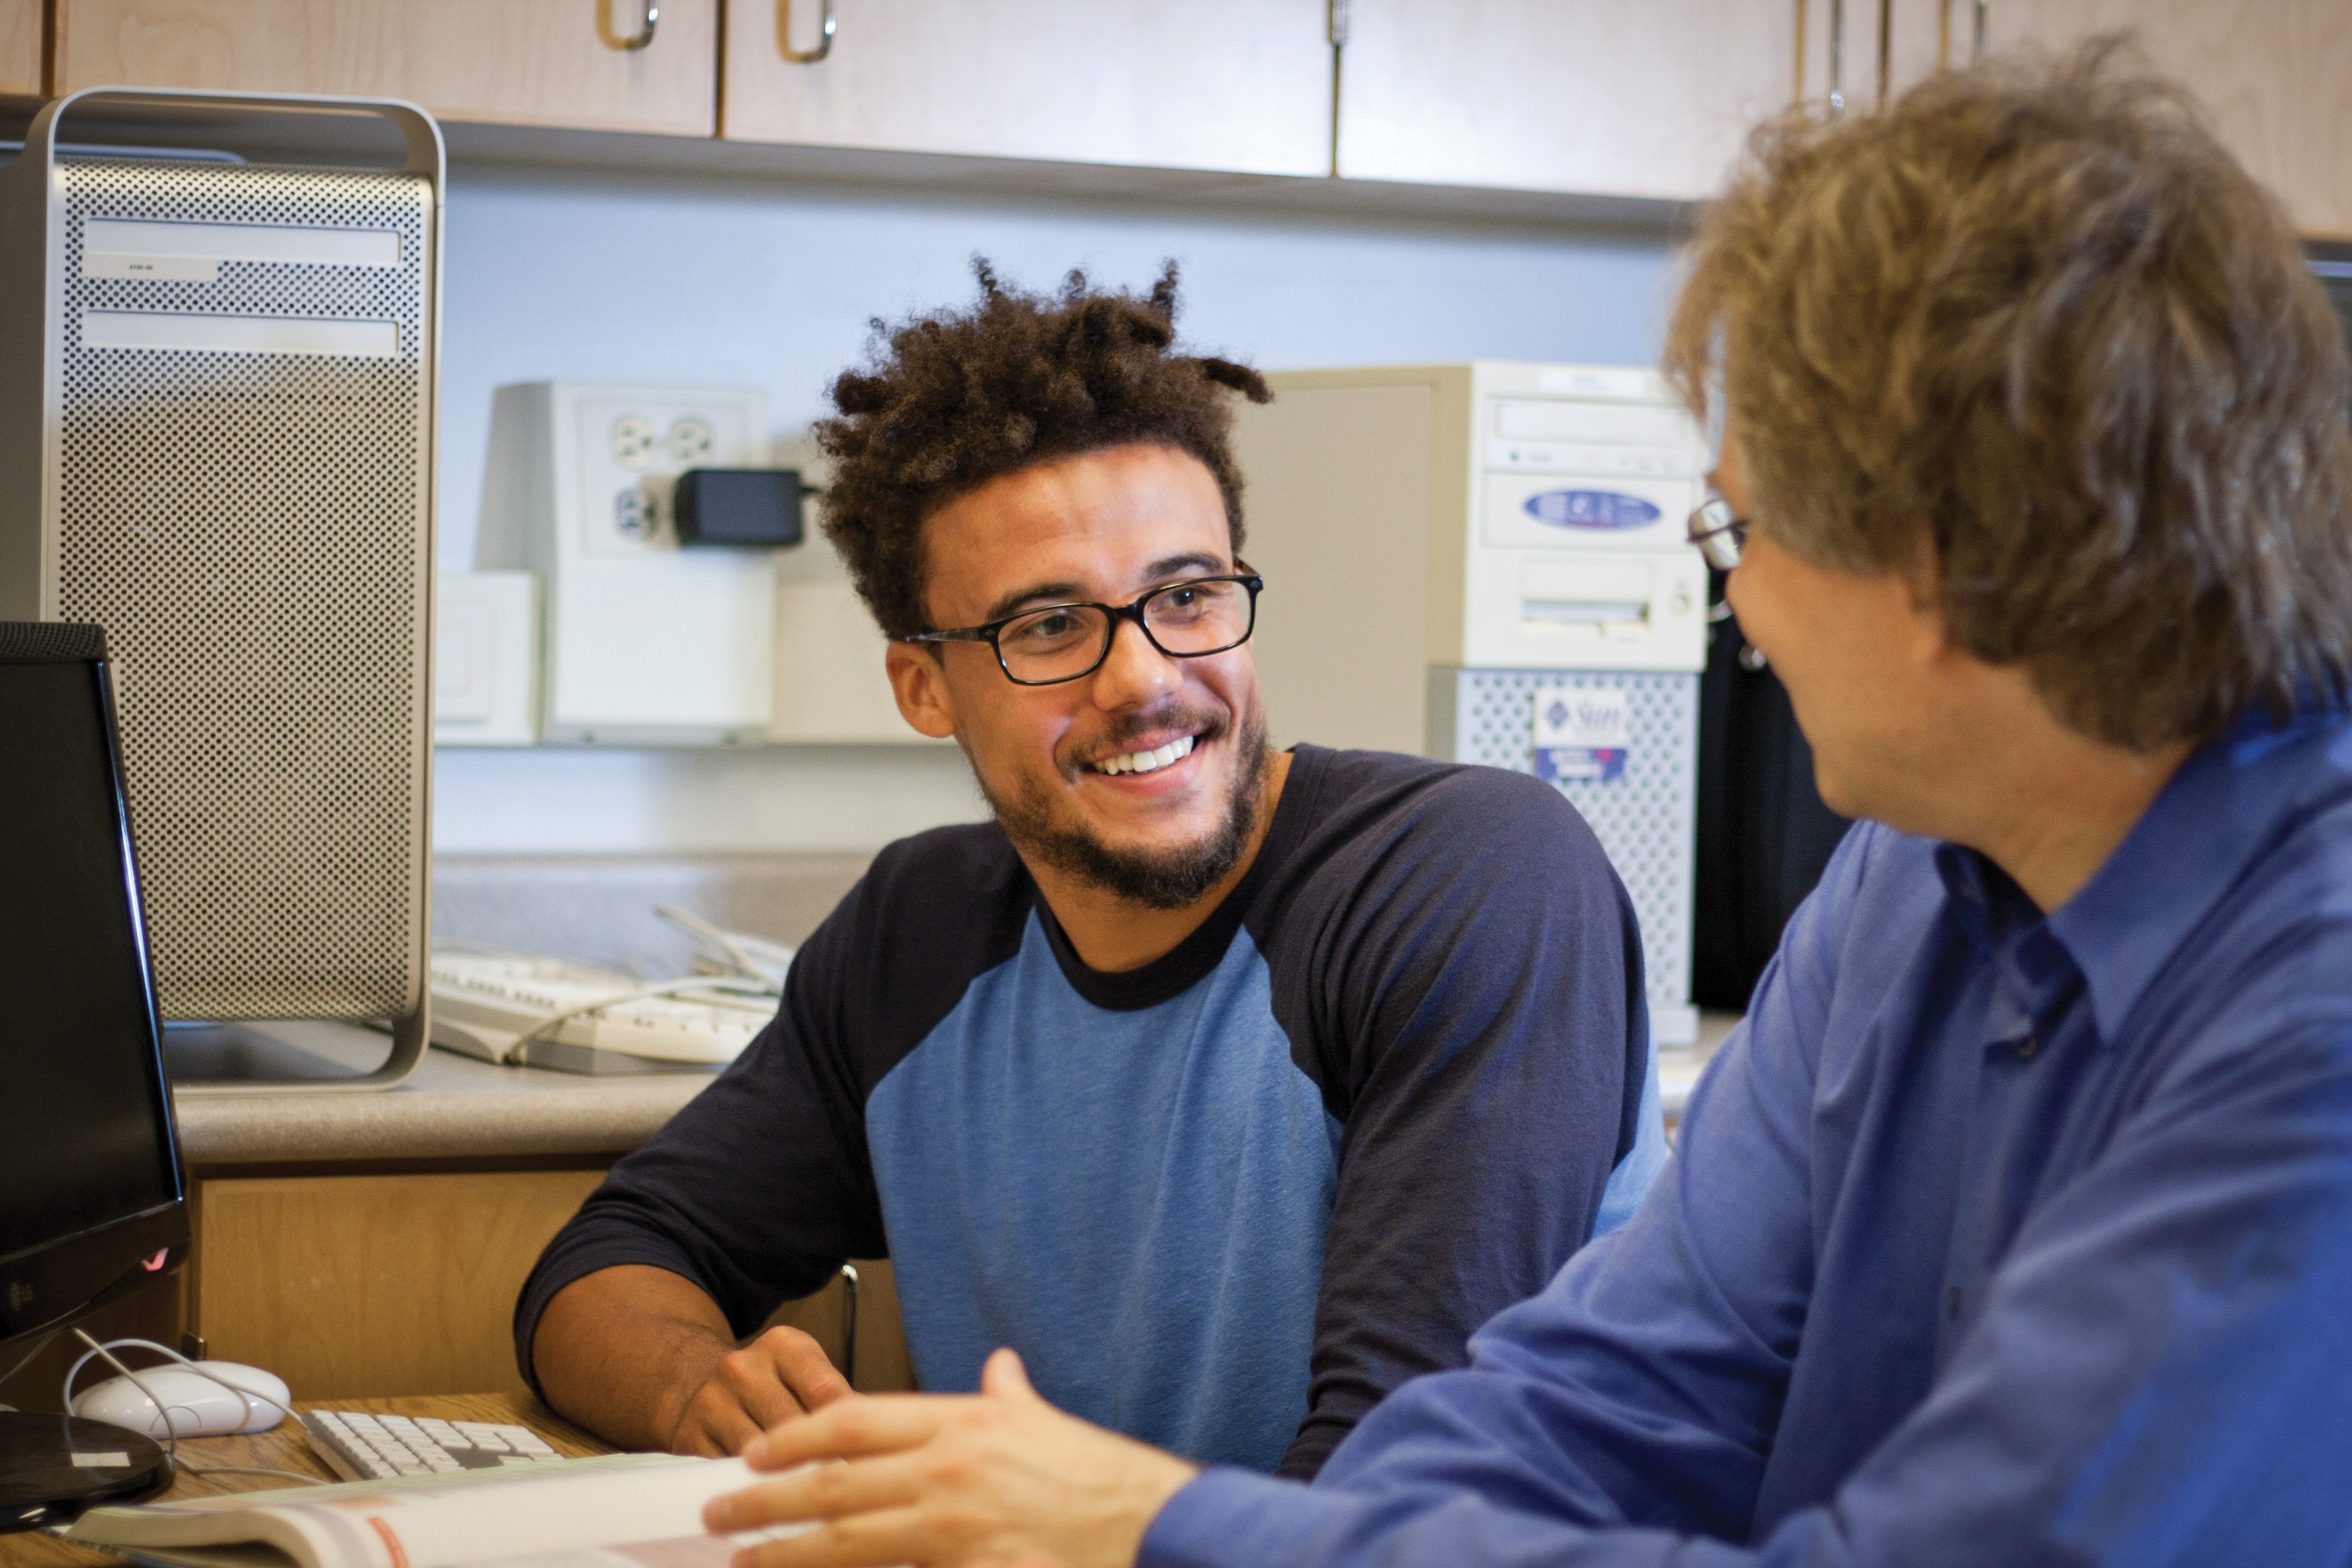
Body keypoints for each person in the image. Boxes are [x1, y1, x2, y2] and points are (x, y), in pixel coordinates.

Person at [696, 45, 2352, 1568]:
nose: (1740, 621)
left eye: (1738, 537)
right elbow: (1618, 1397)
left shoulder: (2310, 1022)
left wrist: (1168, 1532)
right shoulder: (1909, 883)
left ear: (1932, 563)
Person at [515, 261, 1667, 1480]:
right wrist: (699, 1388)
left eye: (1186, 594)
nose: (1143, 679)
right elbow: (606, 1267)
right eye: (1048, 627)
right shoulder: (919, 937)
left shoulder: (1467, 882)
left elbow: (1394, 1488)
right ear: (922, 686)